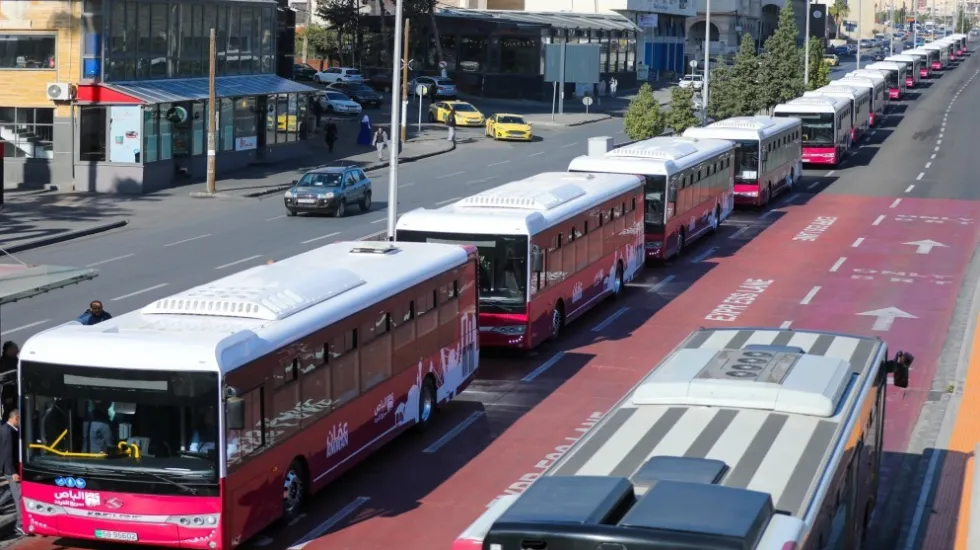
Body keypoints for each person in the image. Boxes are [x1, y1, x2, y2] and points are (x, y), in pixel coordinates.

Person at [0, 409, 23, 536]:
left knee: (10, 491)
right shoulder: (9, 432)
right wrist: (13, 472)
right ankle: (19, 524)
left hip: (7, 468)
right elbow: (8, 453)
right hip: (11, 469)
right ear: (16, 418)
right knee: (18, 496)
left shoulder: (4, 428)